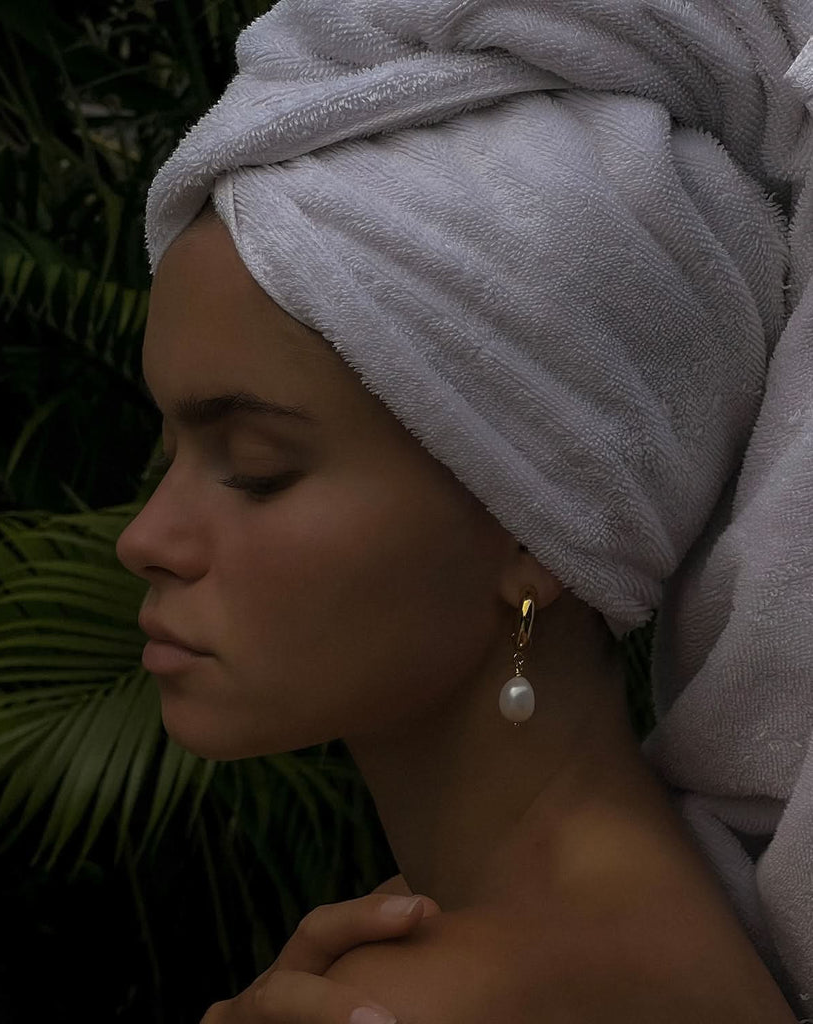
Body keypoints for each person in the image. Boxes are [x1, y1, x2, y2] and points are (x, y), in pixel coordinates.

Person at [116, 0, 813, 1019]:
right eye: (169, 454)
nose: (145, 540)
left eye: (257, 466)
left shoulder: (447, 997)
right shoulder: (652, 937)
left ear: (536, 530)